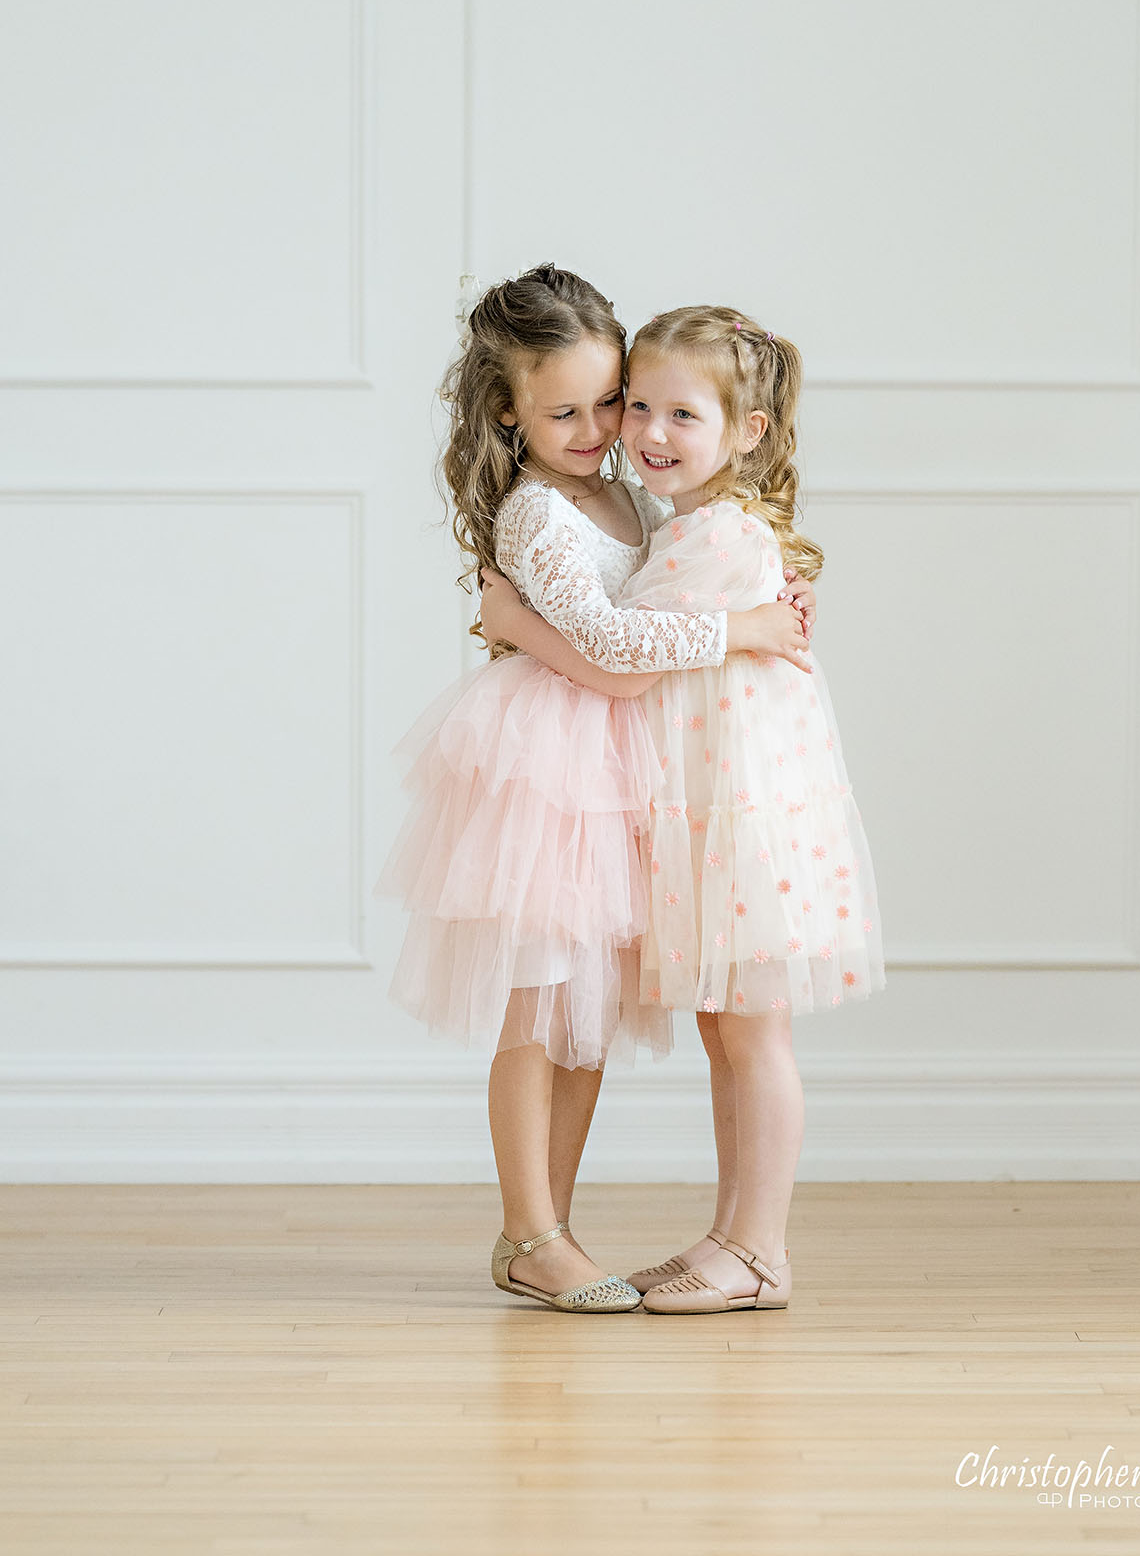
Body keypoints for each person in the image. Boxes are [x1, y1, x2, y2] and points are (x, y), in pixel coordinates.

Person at [374, 267, 815, 1313]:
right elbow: (618, 653)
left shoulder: (624, 493)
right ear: (507, 410)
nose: (595, 427)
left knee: (584, 1013)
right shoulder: (536, 511)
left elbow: (668, 594)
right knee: (538, 1007)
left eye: (606, 402)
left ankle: (551, 1229)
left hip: (621, 766)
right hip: (549, 769)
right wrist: (740, 628)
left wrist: (764, 590)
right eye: (561, 410)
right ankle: (531, 1230)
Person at [478, 303, 885, 1314]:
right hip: (616, 783)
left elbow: (634, 644)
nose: (637, 431)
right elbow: (633, 638)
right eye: (635, 408)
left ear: (745, 430)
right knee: (612, 1015)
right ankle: (689, 1239)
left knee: (739, 1030)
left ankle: (750, 1248)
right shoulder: (644, 514)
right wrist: (747, 619)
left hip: (721, 804)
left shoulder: (686, 523)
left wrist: (515, 621)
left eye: (642, 407)